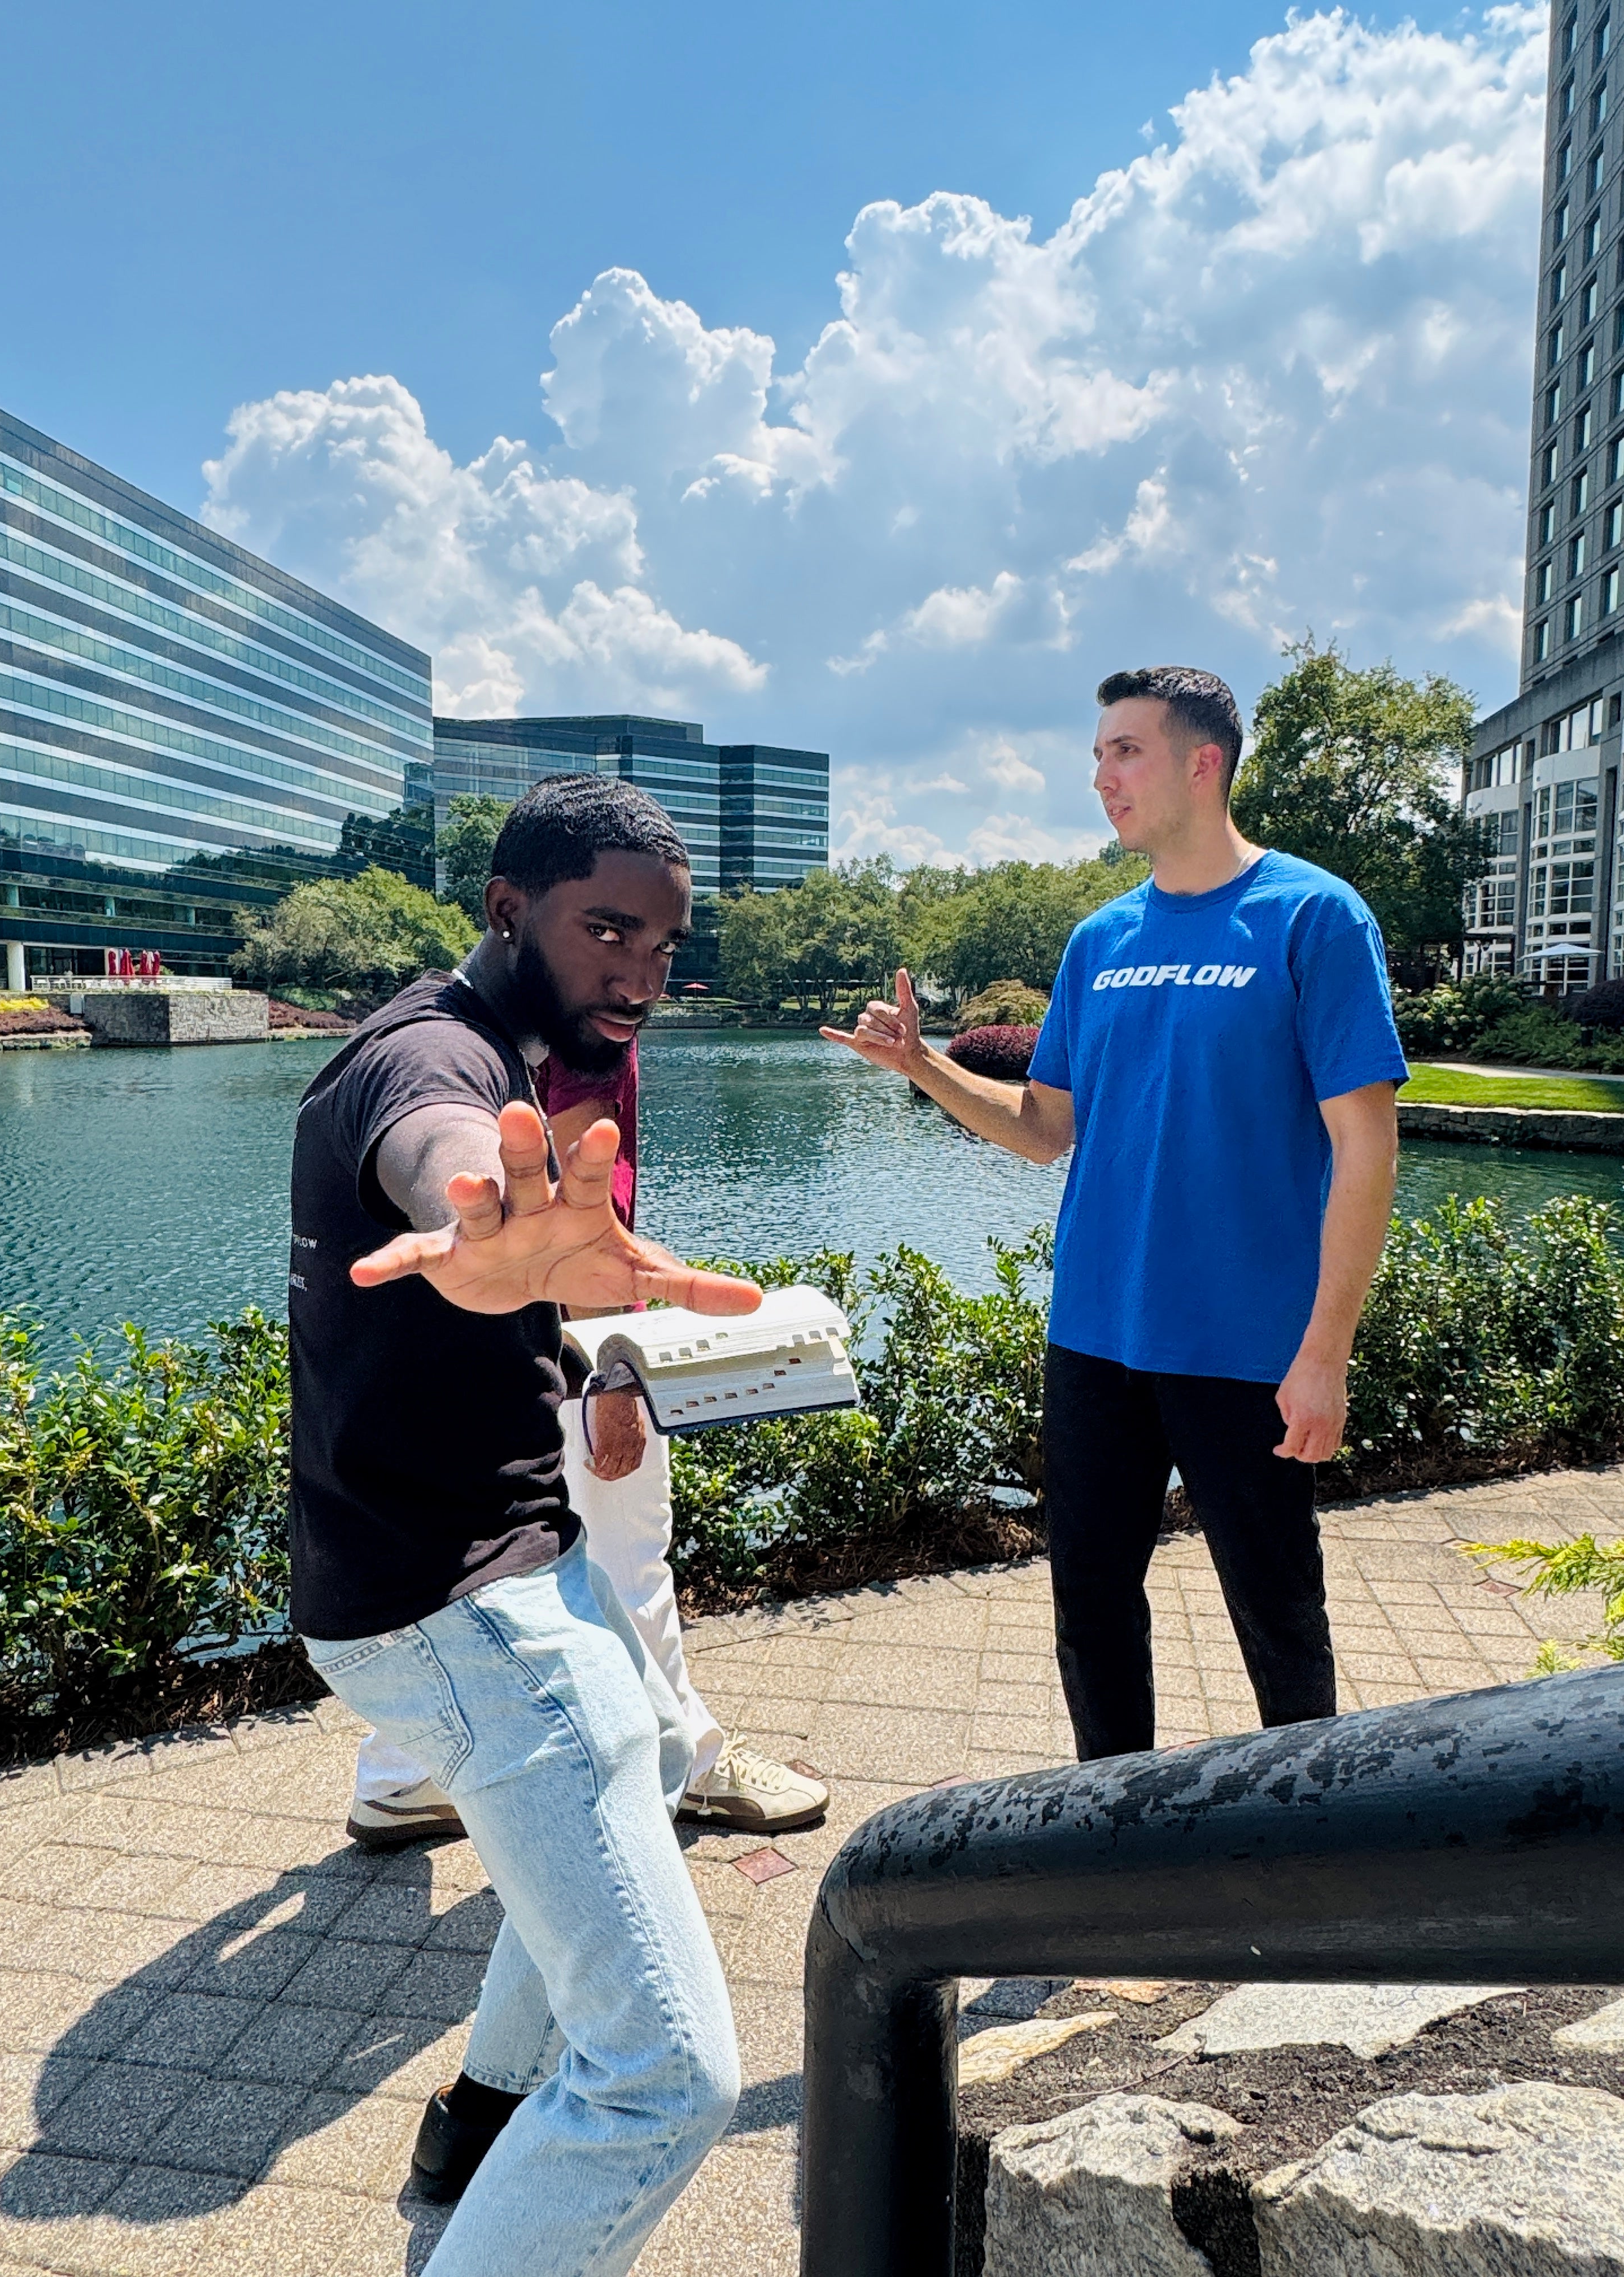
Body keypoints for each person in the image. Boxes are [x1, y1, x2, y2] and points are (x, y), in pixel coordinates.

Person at [289, 775, 758, 2270]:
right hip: (455, 1609)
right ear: (506, 911)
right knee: (669, 2078)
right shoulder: (433, 1059)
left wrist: (579, 1326)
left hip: (495, 1568)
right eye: (607, 930)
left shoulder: (520, 1043)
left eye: (664, 947)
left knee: (626, 1791)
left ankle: (482, 2126)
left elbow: (522, 1267)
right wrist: (487, 1237)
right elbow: (447, 1160)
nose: (640, 971)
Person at [824, 665, 1405, 1760]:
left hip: (1247, 1344)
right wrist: (922, 1068)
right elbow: (1047, 1127)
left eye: (1123, 751)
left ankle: (1313, 1847)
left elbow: (1365, 1143)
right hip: (1095, 1334)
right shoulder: (1101, 940)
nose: (1101, 776)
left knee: (1278, 1617)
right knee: (1090, 1608)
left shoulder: (1314, 916)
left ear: (1203, 762)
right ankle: (1113, 1832)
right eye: (1097, 754)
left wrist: (1326, 1351)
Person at [346, 1031, 829, 1846]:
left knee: (470, 1575)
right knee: (626, 1562)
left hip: (476, 1350)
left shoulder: (459, 1025)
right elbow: (577, 1225)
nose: (646, 965)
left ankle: (403, 1776)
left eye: (663, 944)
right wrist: (613, 1374)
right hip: (563, 1354)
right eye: (627, 932)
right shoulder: (584, 1024)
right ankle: (686, 1767)